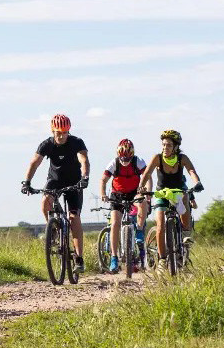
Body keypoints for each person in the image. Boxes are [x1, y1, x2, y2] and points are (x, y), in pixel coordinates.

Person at [21, 114, 90, 272]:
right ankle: (52, 229)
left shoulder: (76, 142)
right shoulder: (47, 144)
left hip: (74, 182)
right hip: (55, 180)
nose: (61, 135)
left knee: (74, 217)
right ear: (53, 131)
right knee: (45, 201)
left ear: (68, 131)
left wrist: (85, 178)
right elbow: (35, 162)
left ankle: (79, 258)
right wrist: (27, 182)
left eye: (65, 132)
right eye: (58, 132)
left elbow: (83, 160)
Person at [136, 129, 203, 268]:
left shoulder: (182, 158)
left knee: (184, 195)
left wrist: (197, 182)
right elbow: (147, 174)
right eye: (164, 145)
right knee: (160, 226)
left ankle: (186, 234)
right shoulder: (157, 158)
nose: (165, 148)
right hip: (162, 193)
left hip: (178, 191)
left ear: (176, 147)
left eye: (169, 145)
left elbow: (191, 171)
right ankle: (162, 260)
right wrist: (141, 187)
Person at [99, 139, 152, 273]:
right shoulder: (114, 163)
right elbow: (103, 180)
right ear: (118, 155)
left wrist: (148, 193)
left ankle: (139, 230)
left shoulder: (138, 161)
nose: (125, 161)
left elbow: (148, 177)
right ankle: (114, 258)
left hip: (134, 192)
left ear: (132, 155)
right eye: (123, 158)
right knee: (115, 223)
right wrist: (103, 194)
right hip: (117, 194)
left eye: (128, 158)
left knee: (142, 202)